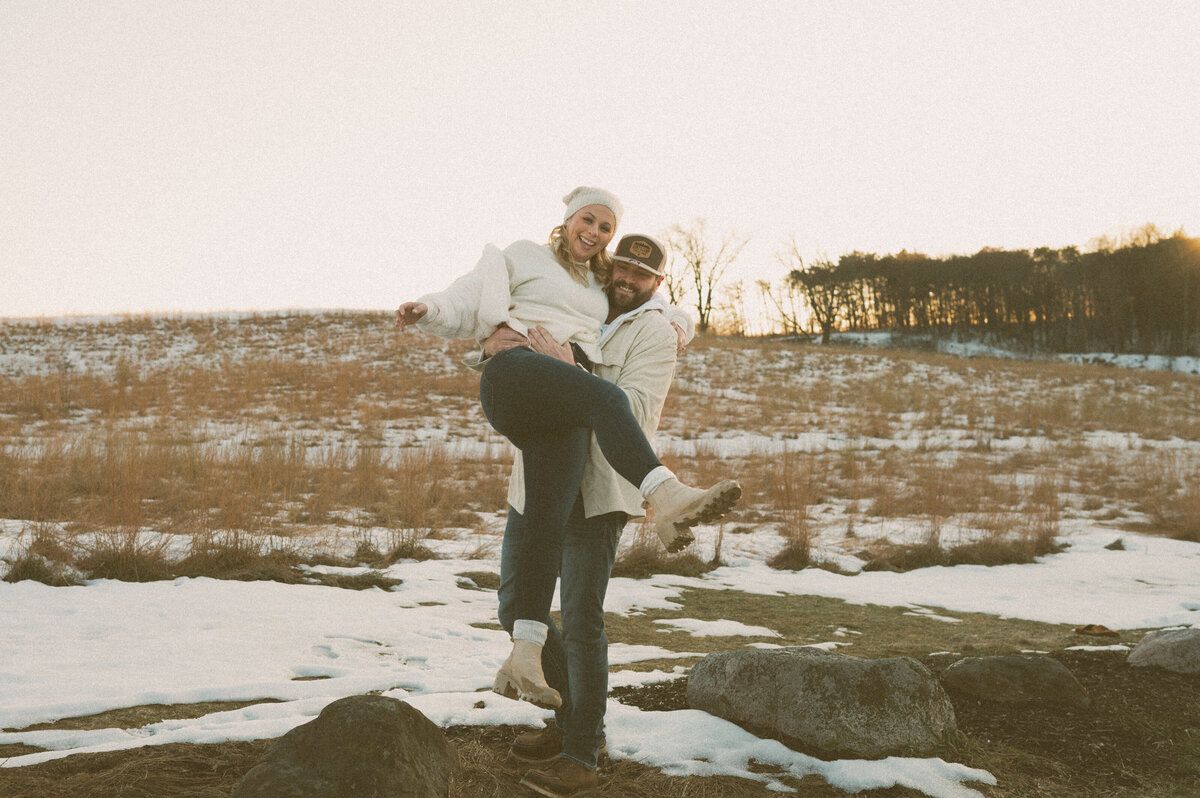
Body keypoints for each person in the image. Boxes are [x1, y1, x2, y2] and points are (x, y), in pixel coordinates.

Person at [394, 187, 741, 712]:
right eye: (590, 222)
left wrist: (679, 322)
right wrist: (438, 313)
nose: (597, 236)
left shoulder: (623, 304)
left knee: (560, 570)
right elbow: (470, 295)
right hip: (522, 387)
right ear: (571, 219)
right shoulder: (546, 268)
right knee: (602, 399)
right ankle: (663, 496)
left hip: (578, 446)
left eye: (606, 228)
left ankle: (537, 669)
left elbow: (647, 331)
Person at [489, 233, 684, 796]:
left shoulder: (654, 331)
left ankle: (583, 749)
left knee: (580, 620)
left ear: (657, 285)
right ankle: (568, 714)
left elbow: (638, 411)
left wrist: (569, 369)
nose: (627, 280)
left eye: (640, 277)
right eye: (620, 268)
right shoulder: (580, 303)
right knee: (512, 605)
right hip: (538, 482)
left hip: (599, 493)